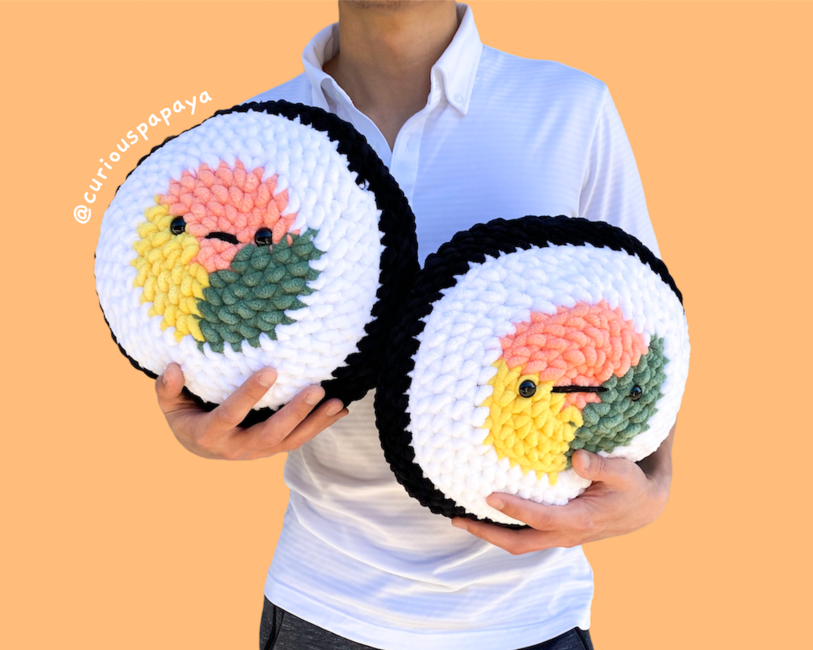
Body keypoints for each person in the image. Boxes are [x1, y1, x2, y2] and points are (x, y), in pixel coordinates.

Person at [155, 2, 677, 649]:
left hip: (530, 613)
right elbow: (196, 332)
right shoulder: (250, 138)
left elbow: (647, 324)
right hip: (324, 604)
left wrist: (655, 487)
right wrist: (199, 429)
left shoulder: (570, 110)